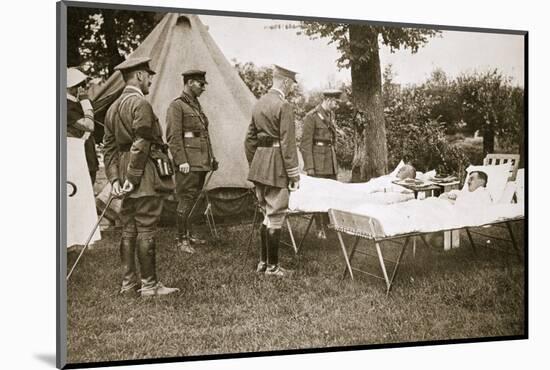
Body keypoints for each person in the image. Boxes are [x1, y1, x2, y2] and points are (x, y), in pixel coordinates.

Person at [103, 57, 179, 297]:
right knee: (146, 225)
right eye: (148, 75)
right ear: (138, 76)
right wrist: (133, 178)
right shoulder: (141, 104)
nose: (150, 79)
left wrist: (115, 179)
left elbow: (109, 149)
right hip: (143, 172)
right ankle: (149, 285)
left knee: (129, 227)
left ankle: (128, 284)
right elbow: (141, 142)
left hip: (124, 172)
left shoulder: (112, 108)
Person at [244, 65, 300, 277]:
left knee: (266, 214)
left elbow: (249, 140)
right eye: (292, 84)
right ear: (285, 82)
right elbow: (288, 144)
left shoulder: (258, 104)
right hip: (277, 165)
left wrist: (256, 162)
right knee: (276, 215)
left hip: (260, 165)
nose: (293, 88)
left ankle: (263, 262)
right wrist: (293, 175)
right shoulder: (283, 105)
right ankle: (273, 267)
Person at [166, 70, 218, 254]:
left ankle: (189, 234)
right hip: (188, 162)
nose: (204, 88)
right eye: (200, 84)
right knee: (186, 199)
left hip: (201, 161)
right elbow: (173, 136)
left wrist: (211, 157)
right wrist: (181, 160)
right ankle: (181, 240)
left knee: (194, 199)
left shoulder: (196, 106)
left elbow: (202, 134)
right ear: (189, 83)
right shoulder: (177, 106)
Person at [300, 89, 342, 239]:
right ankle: (320, 228)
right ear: (328, 100)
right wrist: (310, 167)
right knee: (318, 195)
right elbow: (305, 144)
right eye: (336, 102)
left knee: (331, 193)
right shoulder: (311, 117)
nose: (337, 105)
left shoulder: (331, 115)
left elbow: (333, 139)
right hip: (317, 162)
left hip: (329, 160)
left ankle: (329, 225)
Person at [66, 67, 99, 185]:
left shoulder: (77, 102)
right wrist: (85, 101)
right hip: (76, 156)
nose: (84, 88)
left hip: (87, 154)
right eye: (81, 84)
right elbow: (89, 126)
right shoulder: (65, 105)